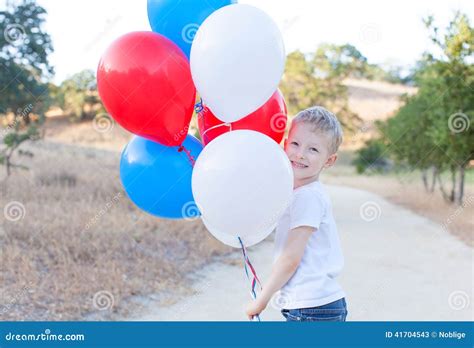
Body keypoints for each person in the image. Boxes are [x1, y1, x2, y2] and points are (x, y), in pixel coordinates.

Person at [245, 106, 348, 321]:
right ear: (285, 144)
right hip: (315, 306)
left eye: (313, 149)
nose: (300, 154)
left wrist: (261, 299)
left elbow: (291, 258)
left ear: (329, 161)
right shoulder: (299, 192)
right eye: (295, 144)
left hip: (312, 308)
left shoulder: (307, 197)